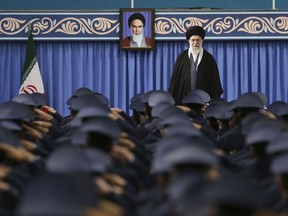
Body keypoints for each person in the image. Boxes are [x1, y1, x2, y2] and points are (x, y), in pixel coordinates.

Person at [168, 25, 223, 104]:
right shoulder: (181, 58)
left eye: (198, 40)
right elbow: (175, 82)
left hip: (203, 102)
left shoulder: (209, 59)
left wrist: (211, 102)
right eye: (193, 40)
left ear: (202, 41)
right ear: (188, 41)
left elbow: (215, 82)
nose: (195, 43)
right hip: (184, 101)